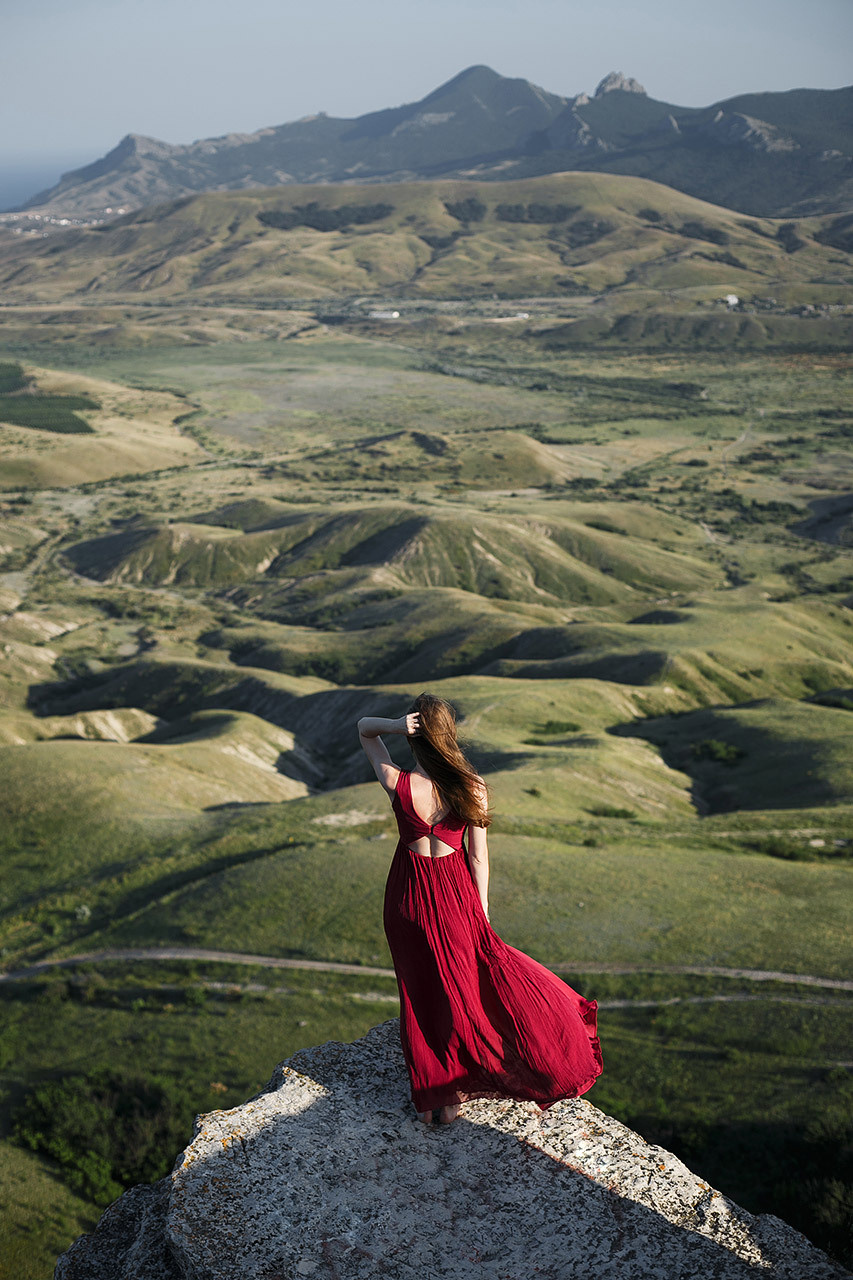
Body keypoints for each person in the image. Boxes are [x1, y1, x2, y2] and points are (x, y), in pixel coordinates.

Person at [357, 692, 602, 1125]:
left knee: (420, 991)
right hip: (455, 897)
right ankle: (465, 1081)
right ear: (449, 735)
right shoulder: (470, 787)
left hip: (407, 898)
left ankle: (439, 1095)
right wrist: (481, 911)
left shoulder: (398, 782)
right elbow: (478, 857)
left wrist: (395, 724)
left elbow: (364, 728)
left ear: (416, 737)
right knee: (465, 985)